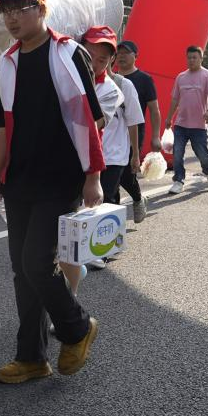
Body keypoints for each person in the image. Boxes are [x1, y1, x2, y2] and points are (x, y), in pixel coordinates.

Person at [0, 0, 105, 385]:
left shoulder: (69, 53)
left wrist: (93, 177)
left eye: (19, 9)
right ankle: (31, 357)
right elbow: (3, 128)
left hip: (61, 178)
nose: (10, 18)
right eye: (4, 11)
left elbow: (92, 119)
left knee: (37, 261)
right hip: (20, 180)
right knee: (22, 270)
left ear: (40, 9)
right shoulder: (5, 64)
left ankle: (76, 326)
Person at [74, 27, 142, 275]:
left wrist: (135, 154)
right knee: (85, 200)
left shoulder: (119, 87)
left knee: (104, 198)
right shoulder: (67, 77)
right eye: (89, 55)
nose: (93, 63)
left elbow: (132, 120)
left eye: (102, 59)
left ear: (111, 60)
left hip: (113, 153)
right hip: (80, 155)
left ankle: (101, 249)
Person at [114, 40, 160, 223]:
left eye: (126, 53)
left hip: (134, 133)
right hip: (113, 134)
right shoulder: (111, 78)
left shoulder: (144, 79)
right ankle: (113, 216)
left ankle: (138, 198)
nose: (121, 56)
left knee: (126, 172)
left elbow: (154, 110)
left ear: (136, 56)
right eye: (118, 53)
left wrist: (156, 136)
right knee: (112, 174)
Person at [165, 45, 208, 193]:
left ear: (201, 58)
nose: (191, 60)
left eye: (195, 57)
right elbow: (175, 99)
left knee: (202, 153)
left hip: (198, 125)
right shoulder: (181, 77)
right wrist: (169, 118)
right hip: (181, 123)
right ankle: (178, 181)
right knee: (177, 153)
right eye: (189, 57)